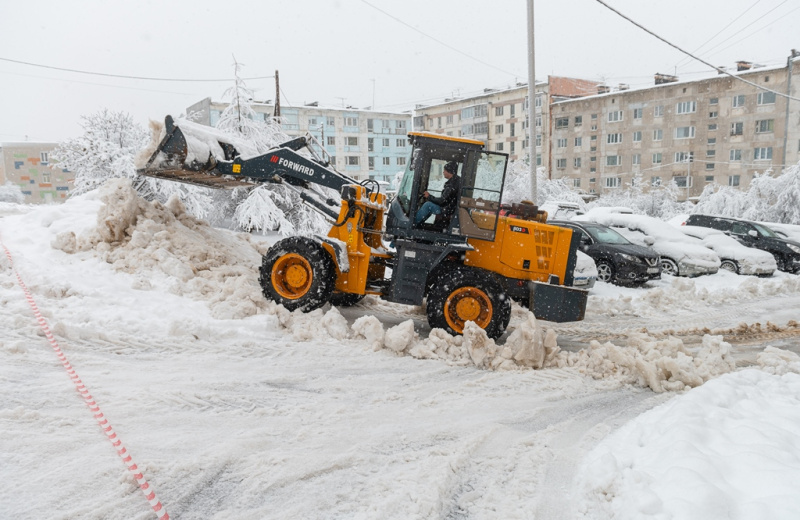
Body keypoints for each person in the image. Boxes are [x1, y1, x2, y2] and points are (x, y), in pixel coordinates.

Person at [415, 161, 461, 226]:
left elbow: (442, 201)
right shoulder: (455, 181)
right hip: (449, 208)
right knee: (430, 204)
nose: (443, 172)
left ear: (450, 172)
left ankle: (413, 223)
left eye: (445, 170)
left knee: (428, 205)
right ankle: (419, 223)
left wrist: (429, 197)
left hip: (447, 210)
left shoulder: (451, 185)